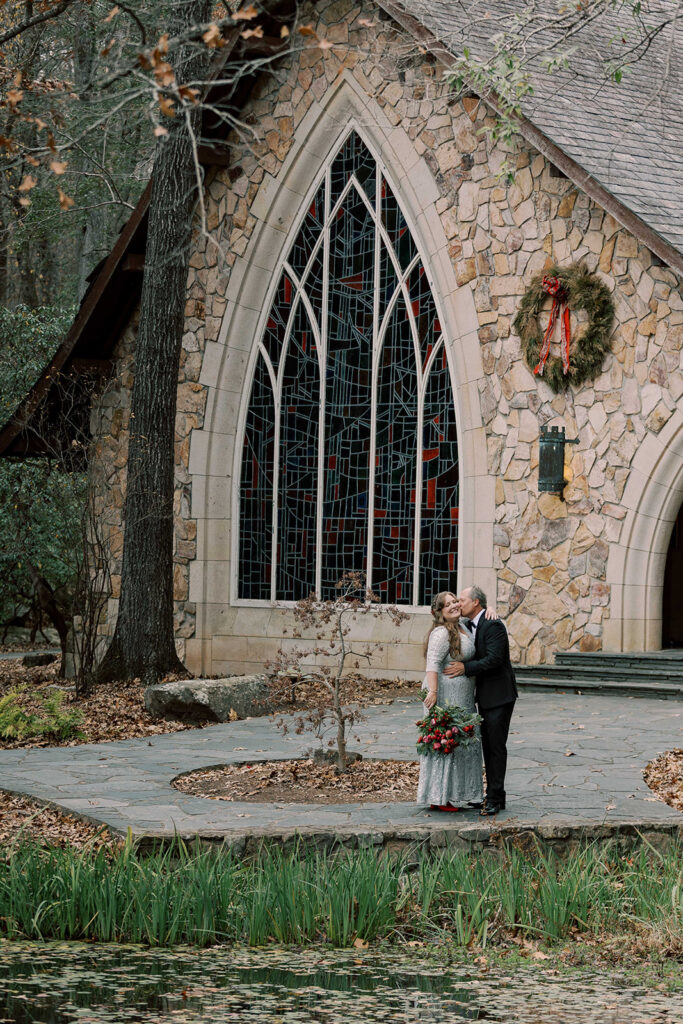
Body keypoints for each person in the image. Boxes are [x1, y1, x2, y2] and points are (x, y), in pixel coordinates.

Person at [444, 585, 518, 816]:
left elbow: (495, 659)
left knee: (495, 747)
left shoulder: (493, 625)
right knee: (488, 746)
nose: (459, 604)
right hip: (485, 696)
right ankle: (497, 795)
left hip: (499, 696)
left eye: (462, 600)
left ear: (475, 602)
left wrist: (465, 668)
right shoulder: (468, 623)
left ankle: (494, 798)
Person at [417, 592, 491, 812]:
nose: (453, 606)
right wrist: (433, 692)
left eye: (455, 601)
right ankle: (439, 797)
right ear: (439, 612)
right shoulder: (441, 633)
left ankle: (459, 793)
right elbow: (432, 663)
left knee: (463, 744)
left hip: (462, 698)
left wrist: (490, 609)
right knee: (446, 742)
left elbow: (480, 616)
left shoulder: (463, 626)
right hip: (444, 696)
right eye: (447, 604)